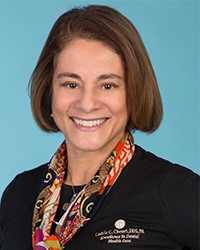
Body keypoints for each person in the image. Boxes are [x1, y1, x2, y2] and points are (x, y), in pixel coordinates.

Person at [0, 5, 199, 250]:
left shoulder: (172, 191)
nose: (87, 103)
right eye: (71, 84)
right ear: (49, 90)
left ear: (132, 93)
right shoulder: (20, 193)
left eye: (107, 85)